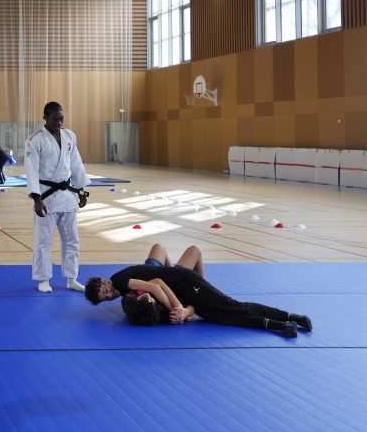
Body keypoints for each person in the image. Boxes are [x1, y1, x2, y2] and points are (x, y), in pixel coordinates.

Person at [85, 244, 313, 337]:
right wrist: (185, 309)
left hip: (185, 282)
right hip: (182, 283)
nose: (109, 295)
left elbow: (155, 283)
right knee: (221, 315)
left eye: (106, 291)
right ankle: (284, 323)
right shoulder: (129, 295)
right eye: (105, 298)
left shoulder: (121, 283)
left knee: (232, 308)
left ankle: (290, 317)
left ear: (105, 281)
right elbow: (158, 254)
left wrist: (177, 307)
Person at [25, 101, 90, 294]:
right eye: (55, 119)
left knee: (72, 240)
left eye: (62, 119)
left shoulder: (69, 136)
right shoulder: (35, 139)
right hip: (46, 196)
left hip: (67, 195)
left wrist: (81, 189)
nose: (60, 122)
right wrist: (36, 199)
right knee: (43, 241)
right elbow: (31, 170)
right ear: (45, 117)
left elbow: (76, 163)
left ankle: (72, 278)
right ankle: (43, 279)